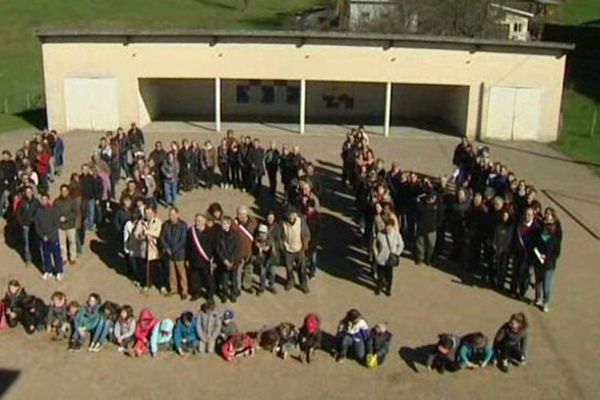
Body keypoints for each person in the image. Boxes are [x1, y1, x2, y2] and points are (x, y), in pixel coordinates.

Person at [532, 214, 562, 312]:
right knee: (538, 283)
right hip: (538, 262)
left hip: (548, 265)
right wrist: (537, 253)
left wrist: (547, 257)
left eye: (549, 224)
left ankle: (546, 302)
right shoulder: (539, 235)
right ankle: (538, 298)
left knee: (546, 285)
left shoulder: (555, 238)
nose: (547, 226)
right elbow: (535, 245)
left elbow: (557, 253)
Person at [160, 207, 189, 300]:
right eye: (170, 215)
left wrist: (173, 250)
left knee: (181, 273)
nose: (171, 217)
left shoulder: (183, 225)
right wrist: (167, 248)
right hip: (169, 253)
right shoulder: (166, 224)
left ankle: (184, 291)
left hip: (179, 253)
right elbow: (162, 237)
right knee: (171, 273)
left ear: (177, 214)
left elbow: (183, 240)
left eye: (173, 215)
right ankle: (173, 289)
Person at [34, 194, 64, 281]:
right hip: (43, 238)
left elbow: (56, 225)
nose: (43, 201)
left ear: (48, 200)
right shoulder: (38, 211)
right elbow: (37, 225)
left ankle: (59, 272)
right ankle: (48, 271)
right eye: (42, 200)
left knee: (56, 255)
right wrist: (42, 236)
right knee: (46, 255)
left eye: (45, 199)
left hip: (53, 237)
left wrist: (49, 236)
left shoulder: (53, 211)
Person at [372, 218, 404, 296]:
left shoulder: (396, 235)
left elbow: (401, 245)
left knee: (389, 275)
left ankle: (388, 289)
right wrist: (376, 255)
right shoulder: (380, 234)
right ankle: (379, 287)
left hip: (390, 259)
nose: (388, 229)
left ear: (393, 227)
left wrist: (396, 253)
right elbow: (374, 245)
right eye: (387, 227)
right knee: (380, 275)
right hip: (381, 258)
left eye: (390, 227)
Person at [188, 213, 216, 302]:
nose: (197, 223)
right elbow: (187, 246)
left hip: (205, 260)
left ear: (204, 221)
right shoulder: (191, 231)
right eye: (196, 221)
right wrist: (187, 258)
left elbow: (213, 246)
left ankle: (210, 295)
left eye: (199, 221)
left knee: (208, 279)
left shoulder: (210, 232)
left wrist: (212, 258)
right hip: (194, 259)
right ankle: (197, 293)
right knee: (195, 279)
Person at [281, 210, 311, 293]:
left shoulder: (301, 222)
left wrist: (305, 246)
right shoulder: (283, 224)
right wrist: (282, 247)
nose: (291, 218)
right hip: (288, 250)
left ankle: (303, 283)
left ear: (295, 215)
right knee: (289, 268)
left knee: (302, 268)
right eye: (289, 216)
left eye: (292, 216)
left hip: (299, 249)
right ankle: (291, 281)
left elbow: (306, 234)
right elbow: (280, 236)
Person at [215, 217, 240, 303]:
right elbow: (218, 249)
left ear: (229, 224)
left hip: (233, 261)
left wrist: (231, 260)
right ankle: (225, 295)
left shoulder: (235, 234)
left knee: (234, 280)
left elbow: (236, 249)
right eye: (222, 224)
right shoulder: (218, 235)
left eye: (225, 224)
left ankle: (233, 294)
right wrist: (224, 260)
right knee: (224, 280)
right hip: (223, 262)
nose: (224, 226)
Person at [234, 206, 258, 294]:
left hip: (250, 250)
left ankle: (247, 285)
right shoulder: (234, 224)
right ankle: (237, 287)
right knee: (238, 271)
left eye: (242, 214)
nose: (241, 216)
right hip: (239, 251)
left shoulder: (254, 223)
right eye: (239, 214)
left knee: (249, 269)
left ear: (246, 214)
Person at [54, 184, 78, 266]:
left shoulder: (72, 201)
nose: (63, 192)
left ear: (68, 191)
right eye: (62, 191)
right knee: (62, 243)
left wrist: (66, 218)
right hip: (60, 226)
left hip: (70, 225)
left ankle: (73, 257)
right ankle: (64, 258)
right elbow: (54, 212)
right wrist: (58, 218)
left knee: (72, 242)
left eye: (65, 191)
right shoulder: (56, 201)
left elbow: (75, 213)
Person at [16, 186, 40, 267]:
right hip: (26, 226)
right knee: (26, 244)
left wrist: (36, 221)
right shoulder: (22, 203)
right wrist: (22, 224)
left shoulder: (36, 202)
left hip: (35, 225)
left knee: (36, 242)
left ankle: (37, 258)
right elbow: (18, 215)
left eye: (29, 192)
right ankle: (28, 259)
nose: (28, 194)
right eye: (27, 192)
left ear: (32, 193)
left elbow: (39, 212)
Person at [415, 192, 439, 266]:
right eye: (430, 198)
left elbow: (441, 216)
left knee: (431, 244)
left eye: (433, 198)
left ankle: (428, 259)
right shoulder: (421, 204)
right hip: (422, 227)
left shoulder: (437, 206)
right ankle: (420, 258)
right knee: (420, 243)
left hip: (432, 228)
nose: (431, 199)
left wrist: (436, 225)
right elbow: (417, 214)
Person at [253, 224, 276, 295]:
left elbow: (267, 248)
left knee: (272, 273)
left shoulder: (270, 239)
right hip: (262, 260)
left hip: (271, 259)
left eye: (263, 232)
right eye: (260, 232)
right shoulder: (257, 239)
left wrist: (261, 247)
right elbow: (256, 245)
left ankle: (271, 285)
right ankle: (262, 287)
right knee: (262, 274)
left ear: (266, 233)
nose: (261, 234)